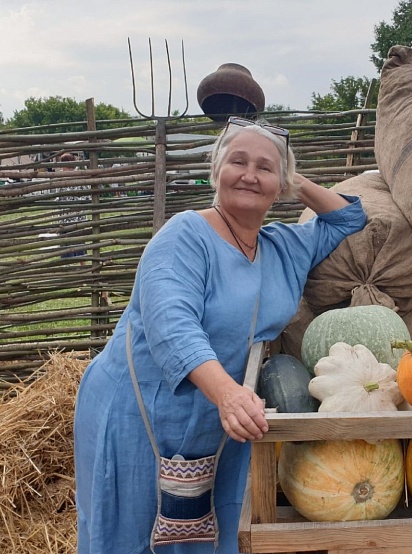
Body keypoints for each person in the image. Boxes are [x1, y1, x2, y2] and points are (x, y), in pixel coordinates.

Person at [73, 117, 366, 554]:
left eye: (264, 168)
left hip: (218, 416)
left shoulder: (284, 246)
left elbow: (349, 216)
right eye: (238, 162)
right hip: (143, 408)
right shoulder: (184, 235)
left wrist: (293, 178)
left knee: (204, 531)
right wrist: (227, 394)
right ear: (216, 171)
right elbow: (173, 326)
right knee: (132, 533)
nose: (249, 175)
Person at [55, 152, 90, 258]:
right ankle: (78, 264)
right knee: (77, 245)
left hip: (69, 218)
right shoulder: (79, 176)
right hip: (74, 217)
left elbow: (57, 197)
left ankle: (75, 264)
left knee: (74, 245)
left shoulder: (63, 178)